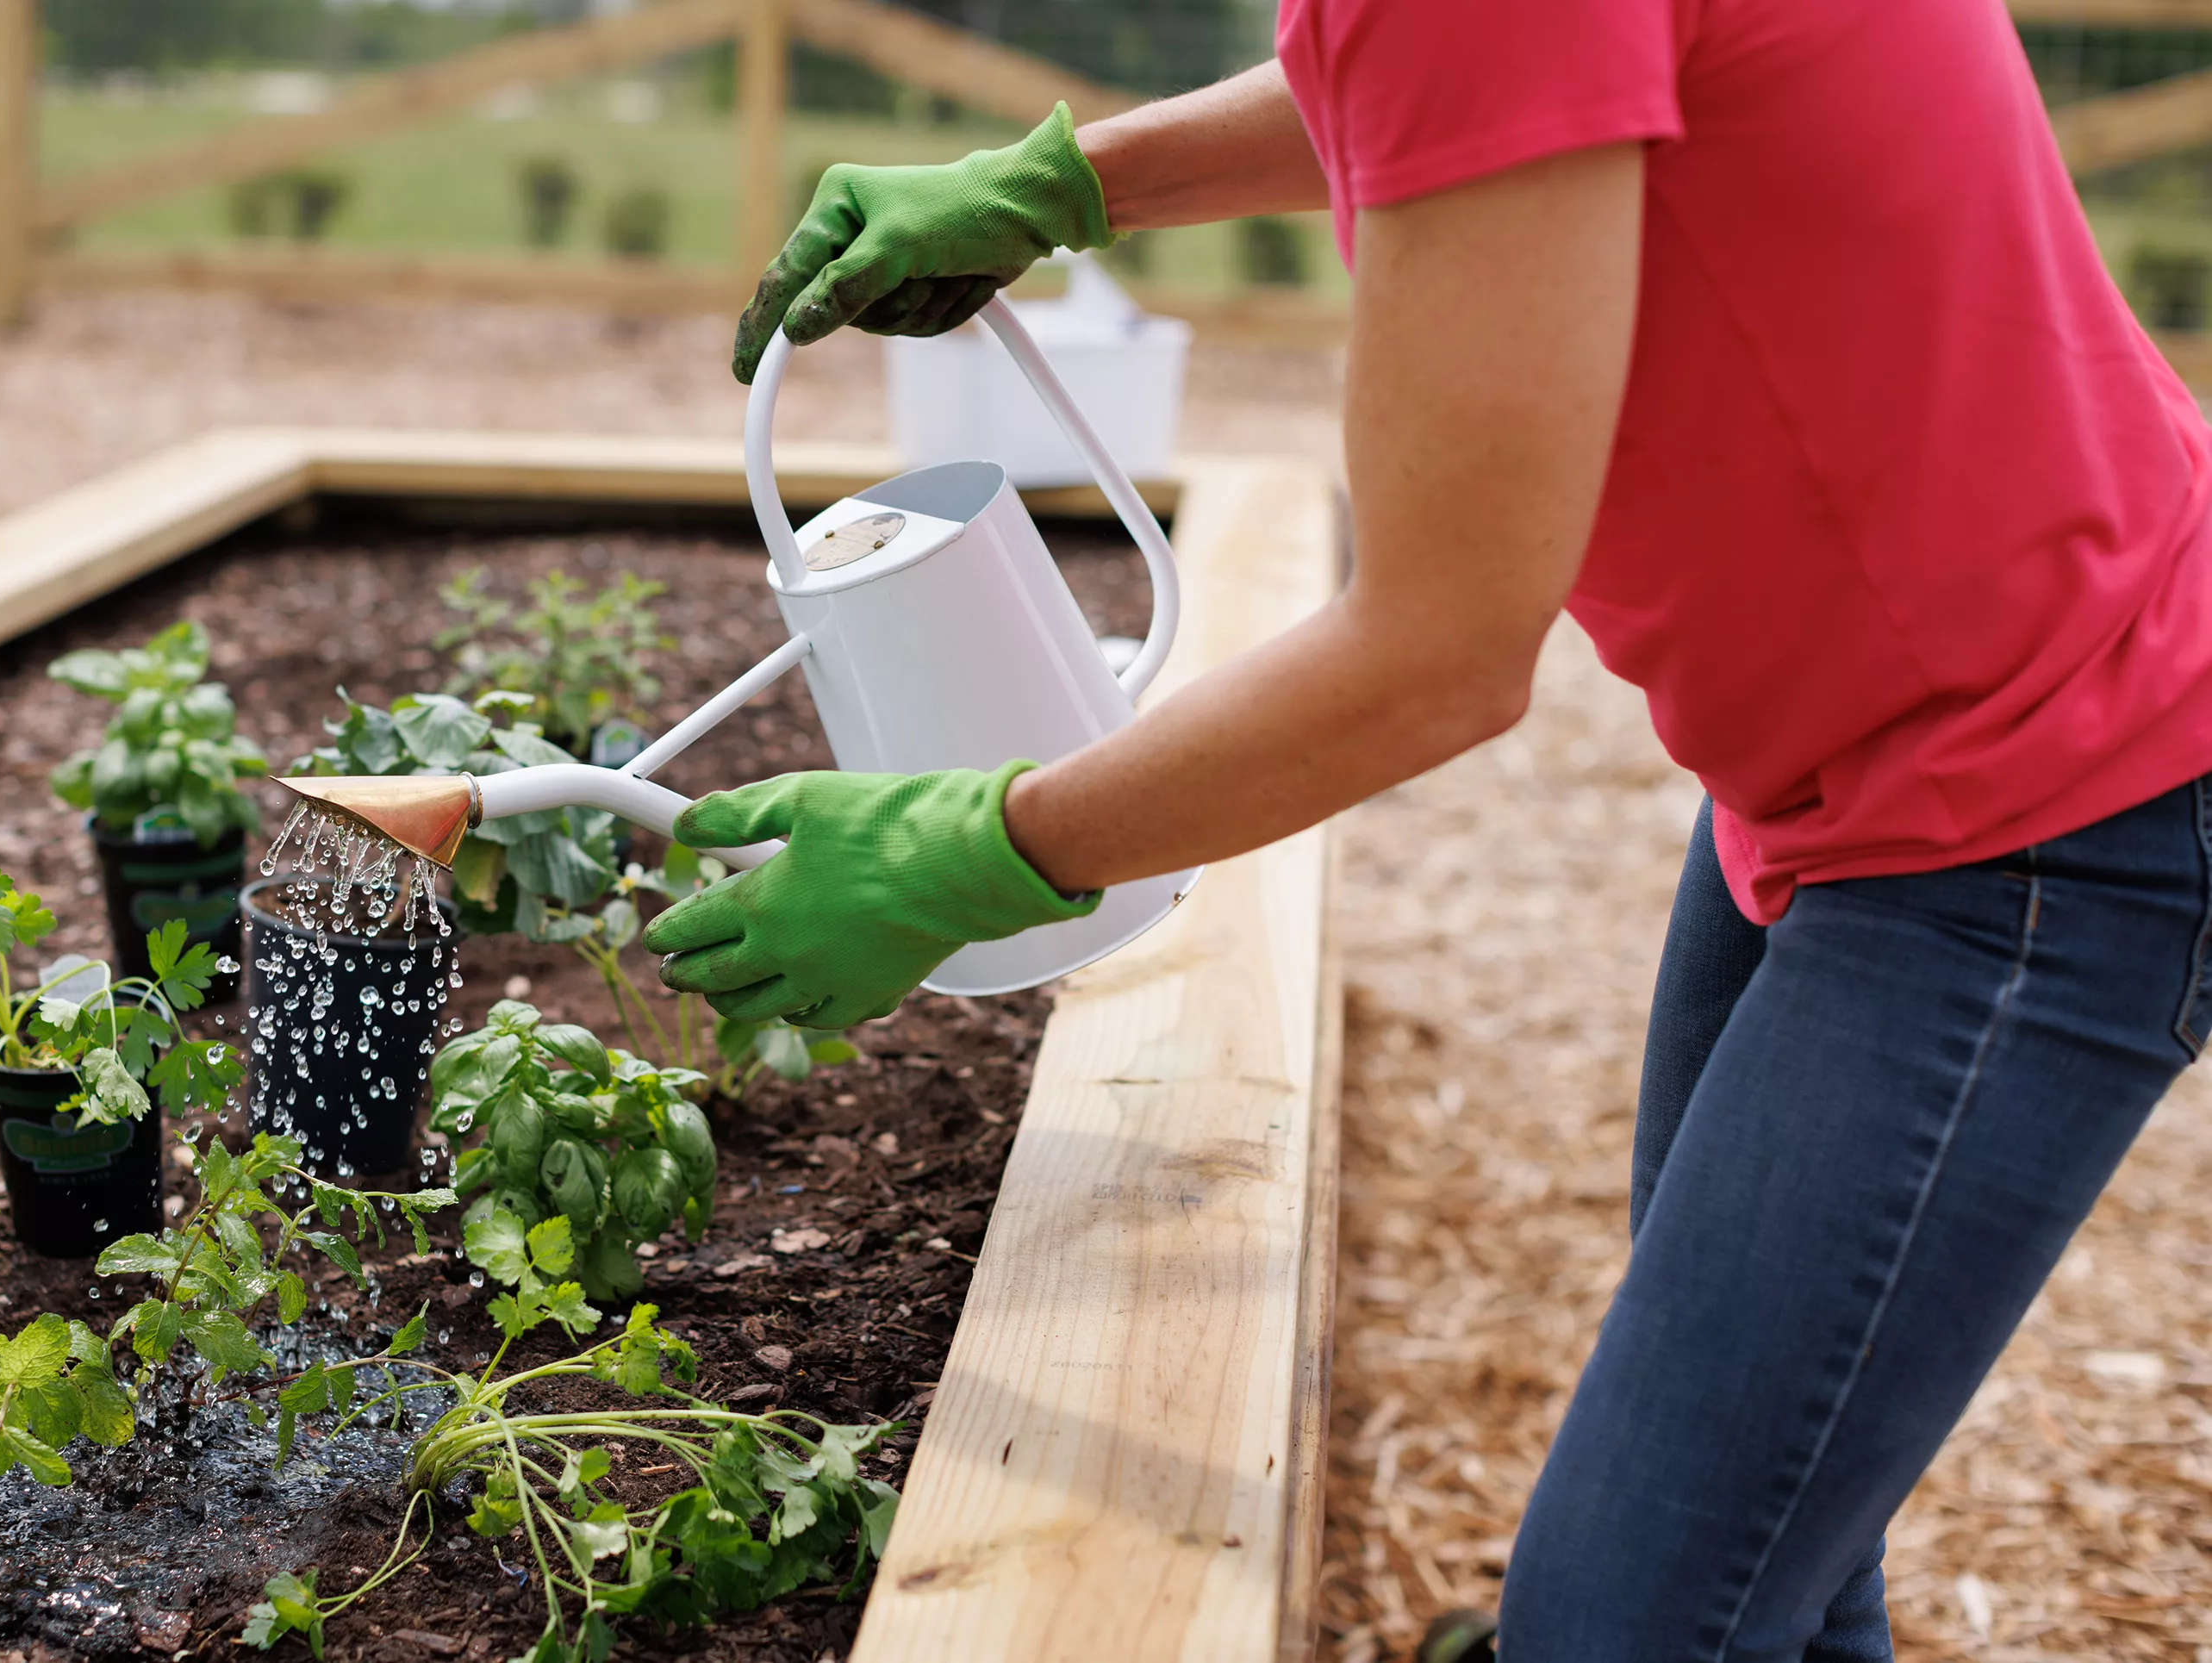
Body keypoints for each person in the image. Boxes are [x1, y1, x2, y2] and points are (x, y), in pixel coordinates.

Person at [640, 0, 2212, 1658]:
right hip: (1873, 740)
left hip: (2036, 799)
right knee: (1774, 1560)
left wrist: (977, 851)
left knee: (1636, 1621)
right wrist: (1061, 184)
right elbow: (1472, 85)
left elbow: (1434, 660)